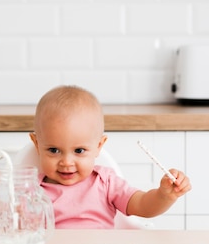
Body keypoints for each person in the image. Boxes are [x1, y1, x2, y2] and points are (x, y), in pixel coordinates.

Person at [29, 85, 192, 229]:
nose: (66, 162)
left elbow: (143, 206)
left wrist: (164, 196)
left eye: (79, 151)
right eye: (54, 150)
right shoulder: (31, 190)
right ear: (37, 144)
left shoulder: (106, 182)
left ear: (99, 146)